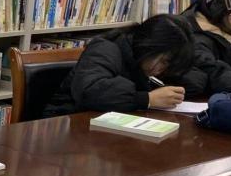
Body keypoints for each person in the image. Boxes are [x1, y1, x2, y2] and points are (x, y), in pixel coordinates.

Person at [43, 14, 194, 118]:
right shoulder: (105, 48)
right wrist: (147, 99)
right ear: (149, 46)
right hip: (66, 123)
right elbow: (89, 92)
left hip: (101, 124)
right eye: (164, 61)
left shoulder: (138, 59)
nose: (162, 69)